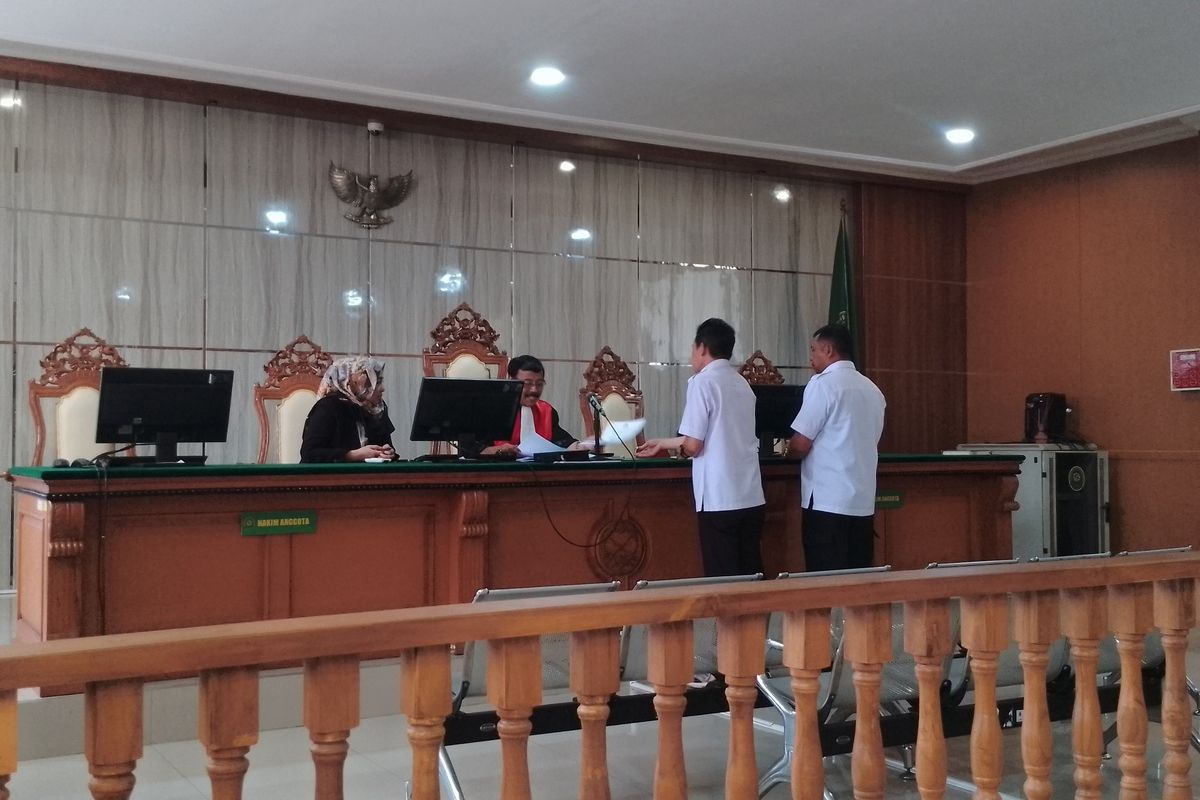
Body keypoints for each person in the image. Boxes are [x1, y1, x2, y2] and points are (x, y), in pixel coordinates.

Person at [637, 318, 766, 577]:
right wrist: (663, 442)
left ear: (702, 347)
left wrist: (679, 450)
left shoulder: (702, 382)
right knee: (751, 576)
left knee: (724, 582)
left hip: (720, 499)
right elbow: (713, 436)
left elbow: (694, 445)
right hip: (750, 496)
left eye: (692, 348)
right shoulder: (741, 384)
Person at [787, 324, 886, 571]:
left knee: (825, 583)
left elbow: (801, 443)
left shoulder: (823, 384)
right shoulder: (873, 390)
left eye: (814, 350)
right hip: (862, 502)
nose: (811, 357)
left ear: (828, 350)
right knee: (858, 582)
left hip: (827, 503)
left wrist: (787, 451)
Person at [481, 355, 588, 456]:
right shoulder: (491, 410)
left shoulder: (546, 411)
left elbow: (562, 442)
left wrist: (581, 446)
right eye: (527, 384)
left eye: (539, 384)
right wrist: (498, 450)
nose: (534, 390)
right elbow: (472, 449)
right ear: (511, 381)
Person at [300, 356, 398, 463]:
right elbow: (310, 453)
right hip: (331, 477)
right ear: (354, 385)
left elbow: (384, 445)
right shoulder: (328, 407)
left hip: (370, 476)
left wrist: (387, 452)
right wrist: (352, 455)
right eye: (376, 382)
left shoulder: (376, 409)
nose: (382, 388)